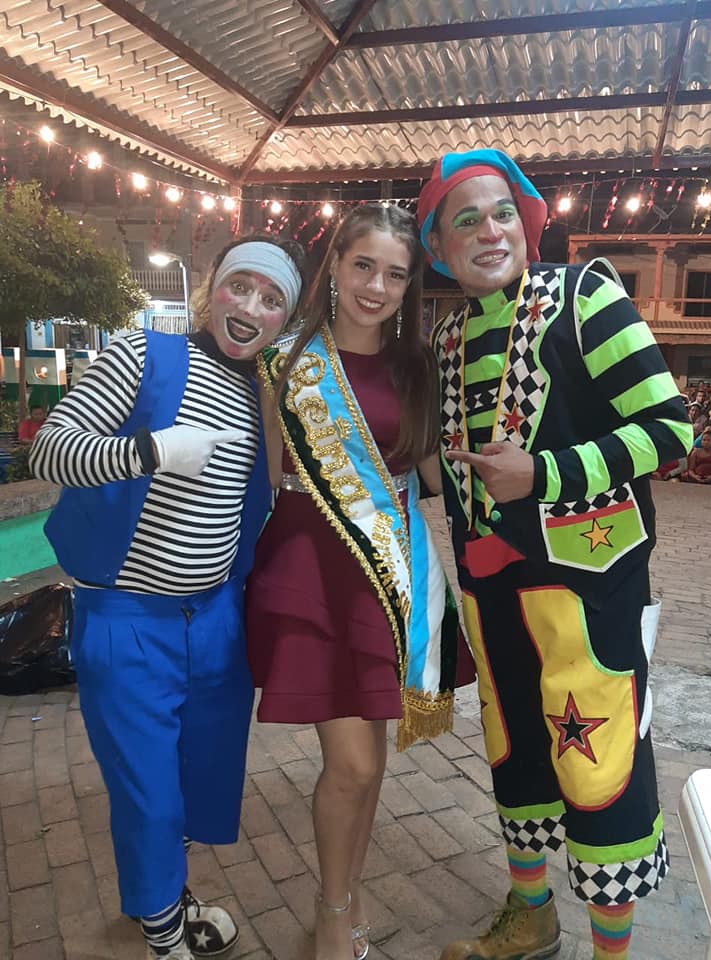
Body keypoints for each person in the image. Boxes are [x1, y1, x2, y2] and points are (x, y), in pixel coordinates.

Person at [416, 149, 693, 960]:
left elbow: (670, 431)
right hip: (490, 586)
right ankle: (531, 911)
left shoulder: (585, 297)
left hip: (586, 587)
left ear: (528, 223)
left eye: (502, 212)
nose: (489, 231)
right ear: (439, 247)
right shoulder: (445, 339)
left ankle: (611, 952)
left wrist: (543, 474)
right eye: (466, 219)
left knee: (601, 754)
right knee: (514, 744)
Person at [30, 235, 305, 960]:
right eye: (241, 286)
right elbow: (48, 450)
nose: (250, 307)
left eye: (272, 299)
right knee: (147, 792)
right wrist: (149, 450)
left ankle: (166, 899)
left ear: (285, 318)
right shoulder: (140, 354)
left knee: (191, 779)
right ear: (214, 286)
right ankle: (164, 938)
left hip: (216, 621)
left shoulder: (267, 394)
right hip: (127, 618)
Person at [245, 204, 473, 960]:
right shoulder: (284, 362)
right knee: (354, 763)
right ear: (336, 266)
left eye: (395, 275)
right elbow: (269, 477)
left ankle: (344, 894)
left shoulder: (415, 368)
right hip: (308, 575)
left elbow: (435, 475)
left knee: (368, 761)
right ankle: (333, 911)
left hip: (386, 577)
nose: (377, 287)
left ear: (409, 286)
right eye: (364, 266)